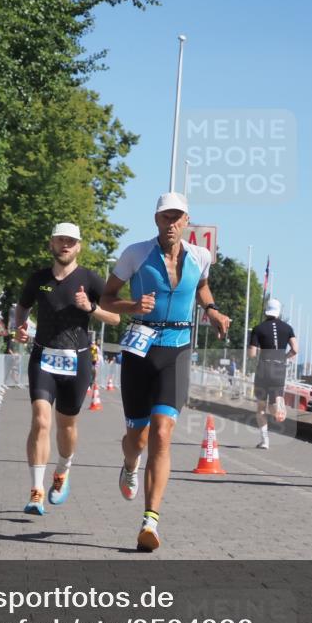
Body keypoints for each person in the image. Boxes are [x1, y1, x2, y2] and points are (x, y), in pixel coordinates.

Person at [100, 192, 230, 551]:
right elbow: (106, 298)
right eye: (164, 217)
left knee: (162, 430)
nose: (171, 223)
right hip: (141, 348)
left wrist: (213, 311)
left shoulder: (200, 256)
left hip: (178, 347)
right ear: (155, 220)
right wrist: (131, 305)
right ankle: (129, 464)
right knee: (137, 440)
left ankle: (150, 521)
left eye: (177, 217)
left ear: (186, 221)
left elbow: (202, 286)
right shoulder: (136, 254)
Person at [14, 222, 120, 515]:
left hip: (78, 360)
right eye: (60, 240)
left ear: (79, 247)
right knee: (40, 419)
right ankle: (36, 491)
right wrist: (19, 328)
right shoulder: (38, 278)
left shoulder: (91, 279)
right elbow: (22, 308)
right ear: (51, 243)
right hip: (43, 356)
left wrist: (90, 308)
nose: (65, 245)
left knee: (67, 425)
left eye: (71, 241)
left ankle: (63, 469)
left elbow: (115, 319)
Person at [247, 298, 298, 449]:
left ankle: (265, 441)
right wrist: (284, 357)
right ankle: (278, 406)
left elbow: (252, 354)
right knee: (273, 402)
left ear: (266, 311)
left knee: (261, 408)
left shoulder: (258, 328)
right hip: (279, 369)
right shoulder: (288, 328)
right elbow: (295, 349)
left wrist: (252, 345)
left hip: (264, 368)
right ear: (279, 312)